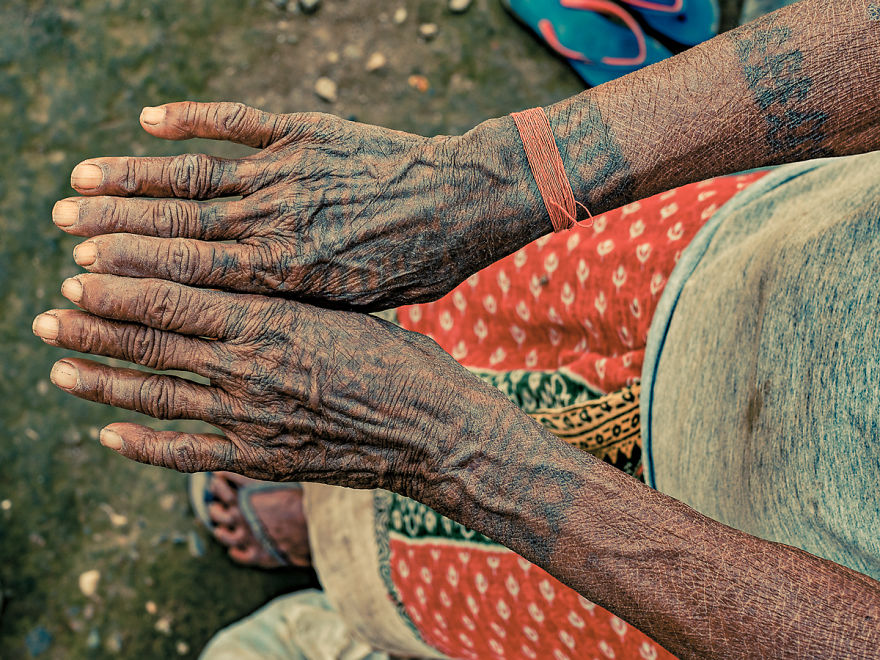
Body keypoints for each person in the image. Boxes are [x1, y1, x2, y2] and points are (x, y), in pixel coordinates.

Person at [30, 0, 880, 657]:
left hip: (707, 587)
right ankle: (340, 503)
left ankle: (350, 581)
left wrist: (447, 450)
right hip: (737, 256)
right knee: (450, 322)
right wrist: (498, 175)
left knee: (408, 539)